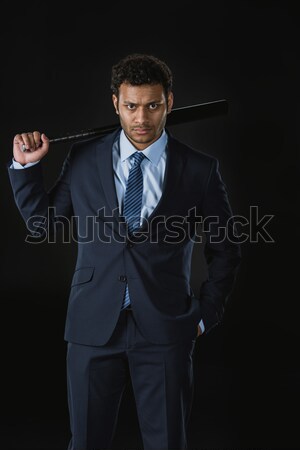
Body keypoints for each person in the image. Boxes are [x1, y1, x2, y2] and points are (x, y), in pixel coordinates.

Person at [7, 53, 241, 450]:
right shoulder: (83, 159)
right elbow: (43, 223)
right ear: (115, 103)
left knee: (167, 442)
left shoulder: (199, 169)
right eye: (131, 106)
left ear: (170, 101)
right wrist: (24, 168)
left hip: (167, 328)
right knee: (86, 442)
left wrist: (205, 315)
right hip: (92, 325)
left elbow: (226, 248)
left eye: (153, 105)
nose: (142, 119)